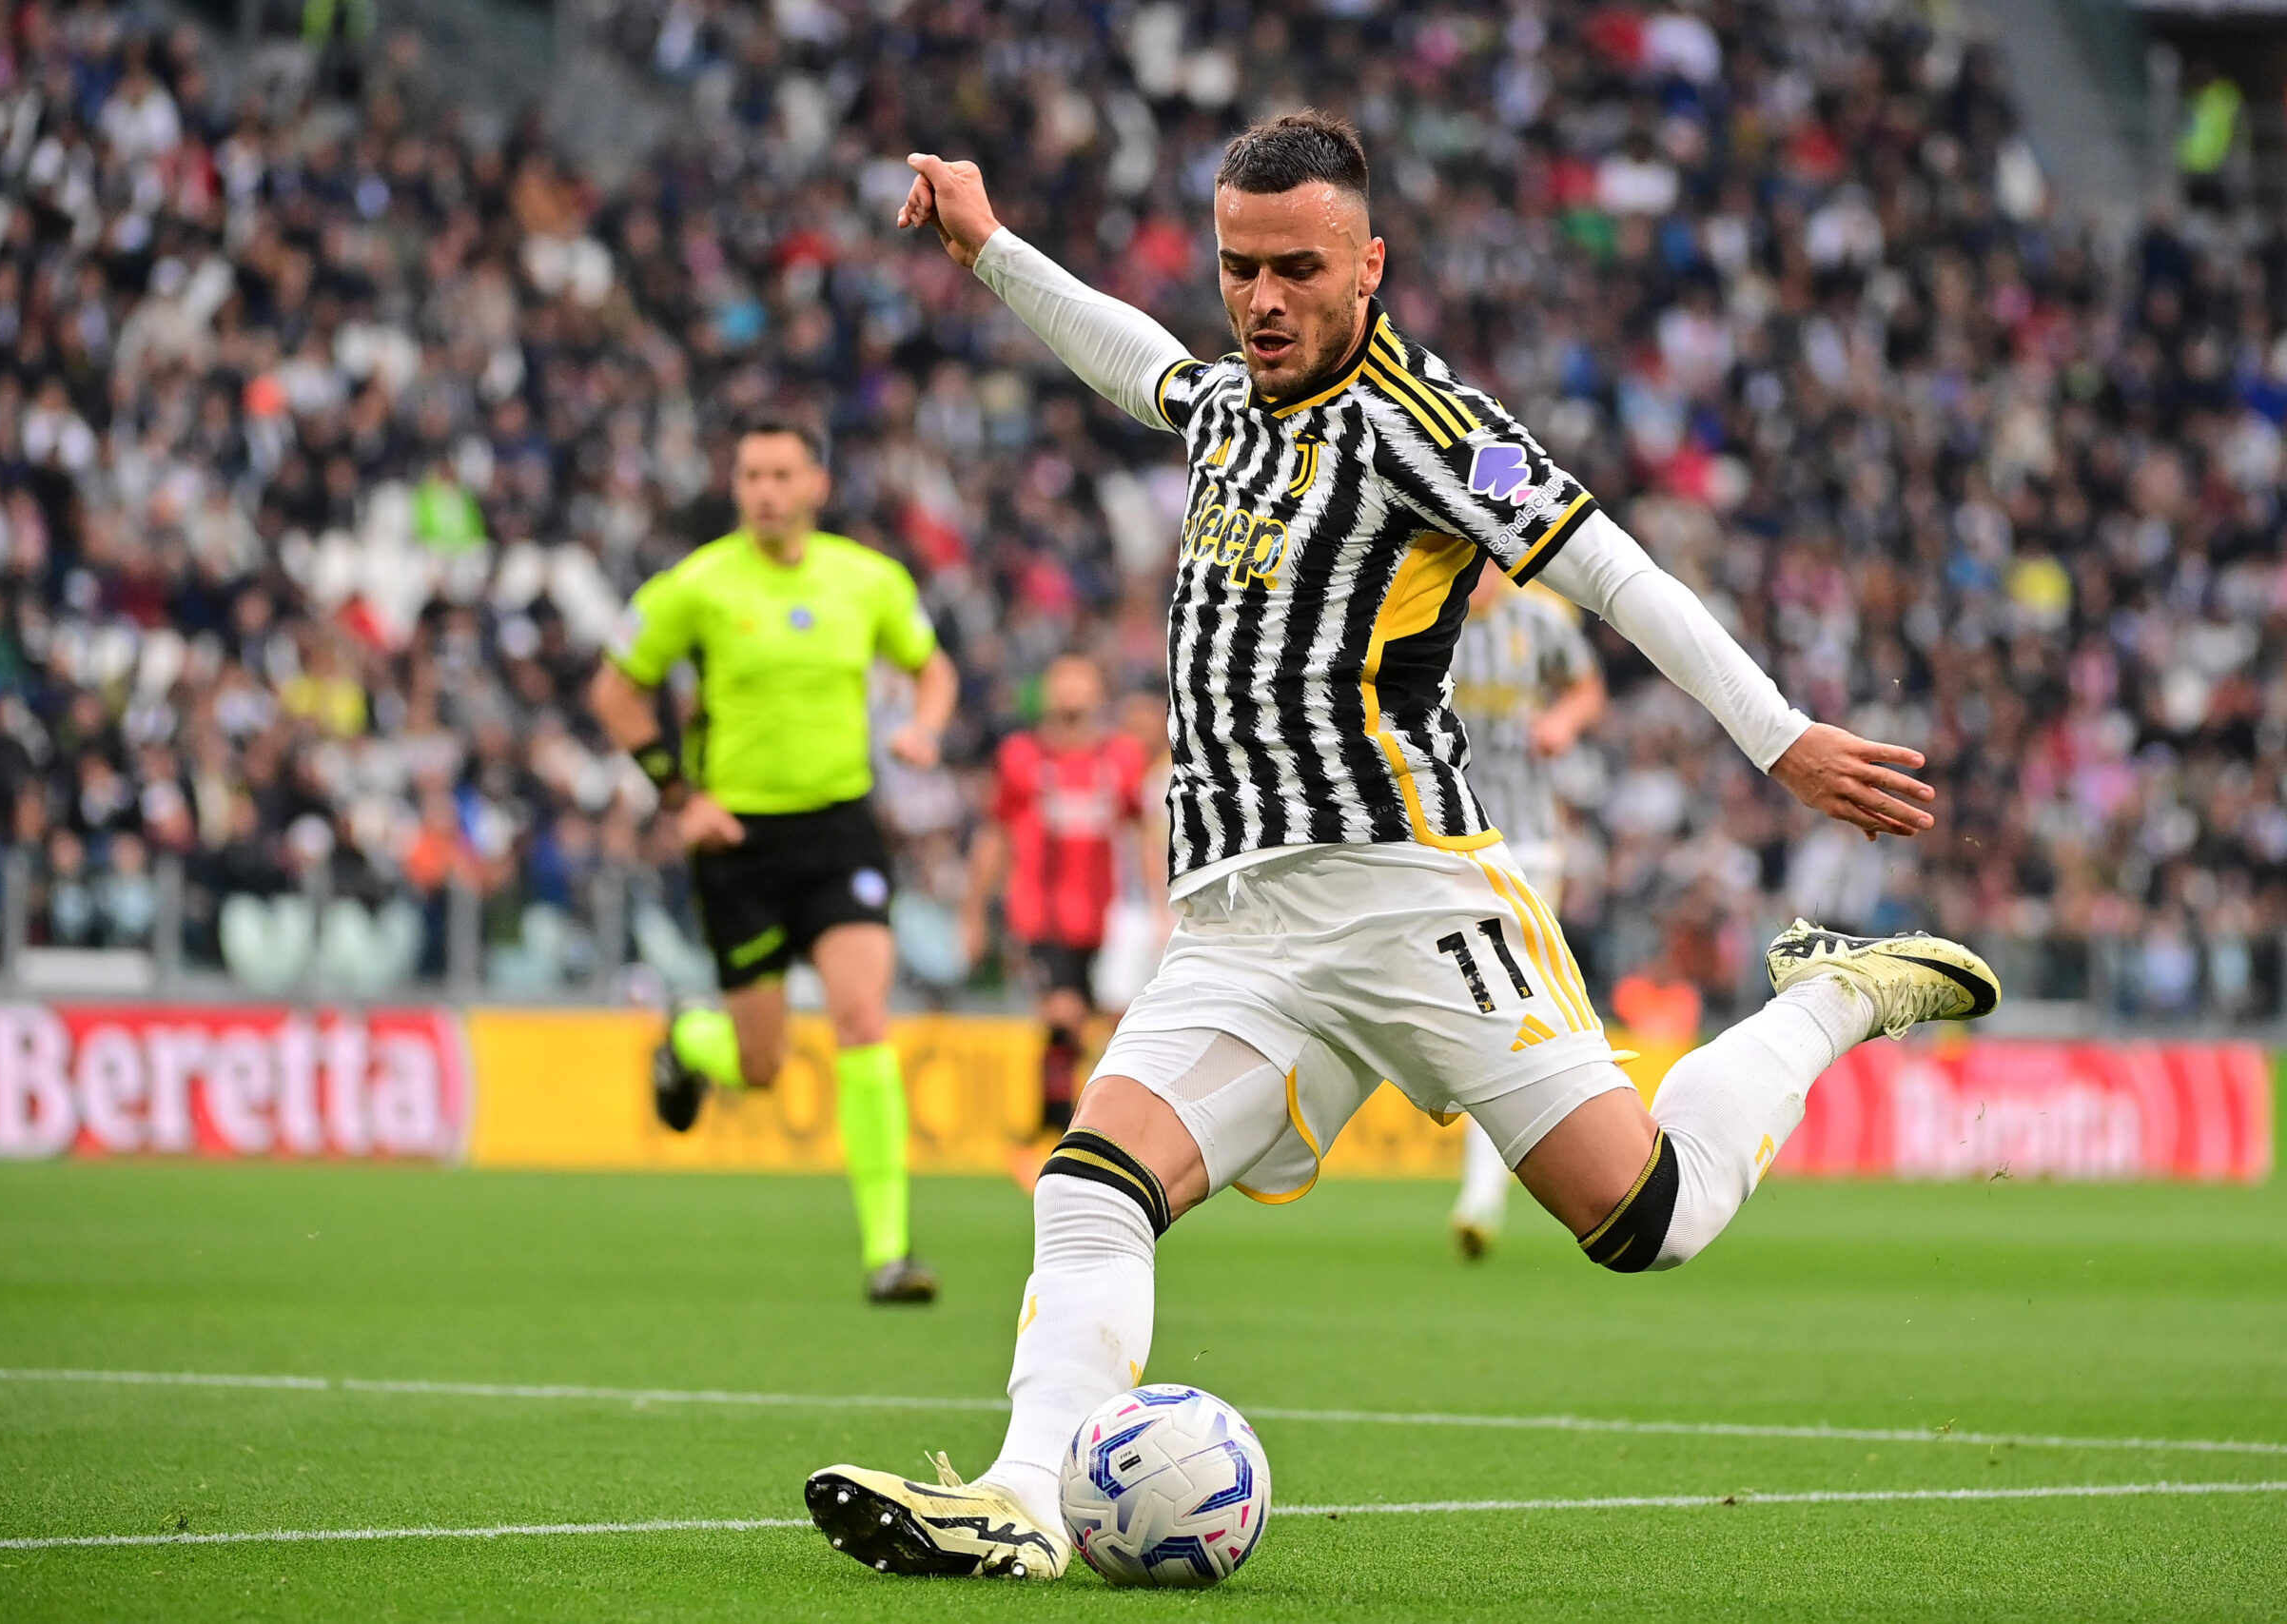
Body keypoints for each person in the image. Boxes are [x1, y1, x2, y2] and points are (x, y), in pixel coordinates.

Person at [803, 113, 1998, 1577]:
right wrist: (989, 250)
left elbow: (1616, 574)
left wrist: (1781, 734)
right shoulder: (1229, 404)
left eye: (1298, 268)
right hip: (1239, 923)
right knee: (1089, 1181)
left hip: (1410, 895)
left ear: (1370, 265)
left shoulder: (1432, 429)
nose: (1262, 300)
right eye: (1241, 267)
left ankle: (1835, 994)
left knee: (1649, 1218)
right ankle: (1023, 1500)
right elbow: (1131, 357)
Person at [588, 417, 959, 1306]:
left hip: (838, 830)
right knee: (761, 1064)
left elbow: (931, 666)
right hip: (738, 842)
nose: (764, 490)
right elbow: (615, 689)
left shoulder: (867, 579)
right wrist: (680, 798)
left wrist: (924, 728)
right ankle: (687, 1036)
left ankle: (889, 1253)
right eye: (750, 473)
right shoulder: (697, 586)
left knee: (863, 1016)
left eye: (781, 473)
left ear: (815, 486)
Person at [1444, 566, 1605, 1259]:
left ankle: (1485, 1190)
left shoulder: (1540, 620)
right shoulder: (1426, 613)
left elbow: (1586, 685)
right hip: (1448, 843)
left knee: (1504, 1007)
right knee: (1483, 1008)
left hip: (1530, 845)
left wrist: (1562, 722)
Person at [960, 655, 1155, 1176]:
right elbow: (995, 837)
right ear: (1046, 693)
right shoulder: (1020, 757)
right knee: (1063, 1014)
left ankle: (1096, 1134)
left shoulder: (1122, 758)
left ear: (1097, 693)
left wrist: (1161, 906)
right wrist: (973, 912)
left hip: (1108, 918)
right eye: (1062, 681)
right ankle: (1052, 1135)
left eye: (1081, 681)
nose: (1071, 692)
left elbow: (1142, 835)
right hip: (1041, 917)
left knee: (1115, 1030)